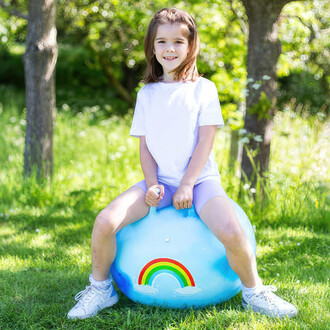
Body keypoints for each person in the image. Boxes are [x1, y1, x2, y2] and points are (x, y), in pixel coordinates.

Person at [67, 8, 297, 319]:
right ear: (152, 47)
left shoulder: (204, 89)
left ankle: (254, 292)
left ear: (191, 46)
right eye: (162, 41)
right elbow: (145, 148)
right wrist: (152, 185)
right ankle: (101, 288)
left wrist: (188, 183)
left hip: (200, 181)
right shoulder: (146, 94)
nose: (170, 49)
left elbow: (206, 141)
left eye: (178, 41)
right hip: (160, 181)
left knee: (231, 229)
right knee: (105, 221)